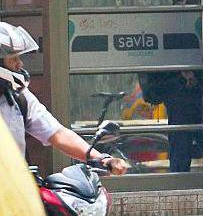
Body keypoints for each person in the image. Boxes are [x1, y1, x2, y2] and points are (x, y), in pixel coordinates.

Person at [0, 22, 127, 175]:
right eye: (13, 59)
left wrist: (101, 158)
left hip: (14, 190)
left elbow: (57, 134)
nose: (20, 64)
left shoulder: (18, 98)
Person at [139, 0, 203, 172]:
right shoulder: (176, 18)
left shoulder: (174, 17)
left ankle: (181, 171)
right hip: (178, 89)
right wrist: (184, 72)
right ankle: (179, 174)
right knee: (183, 135)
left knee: (185, 135)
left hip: (177, 88)